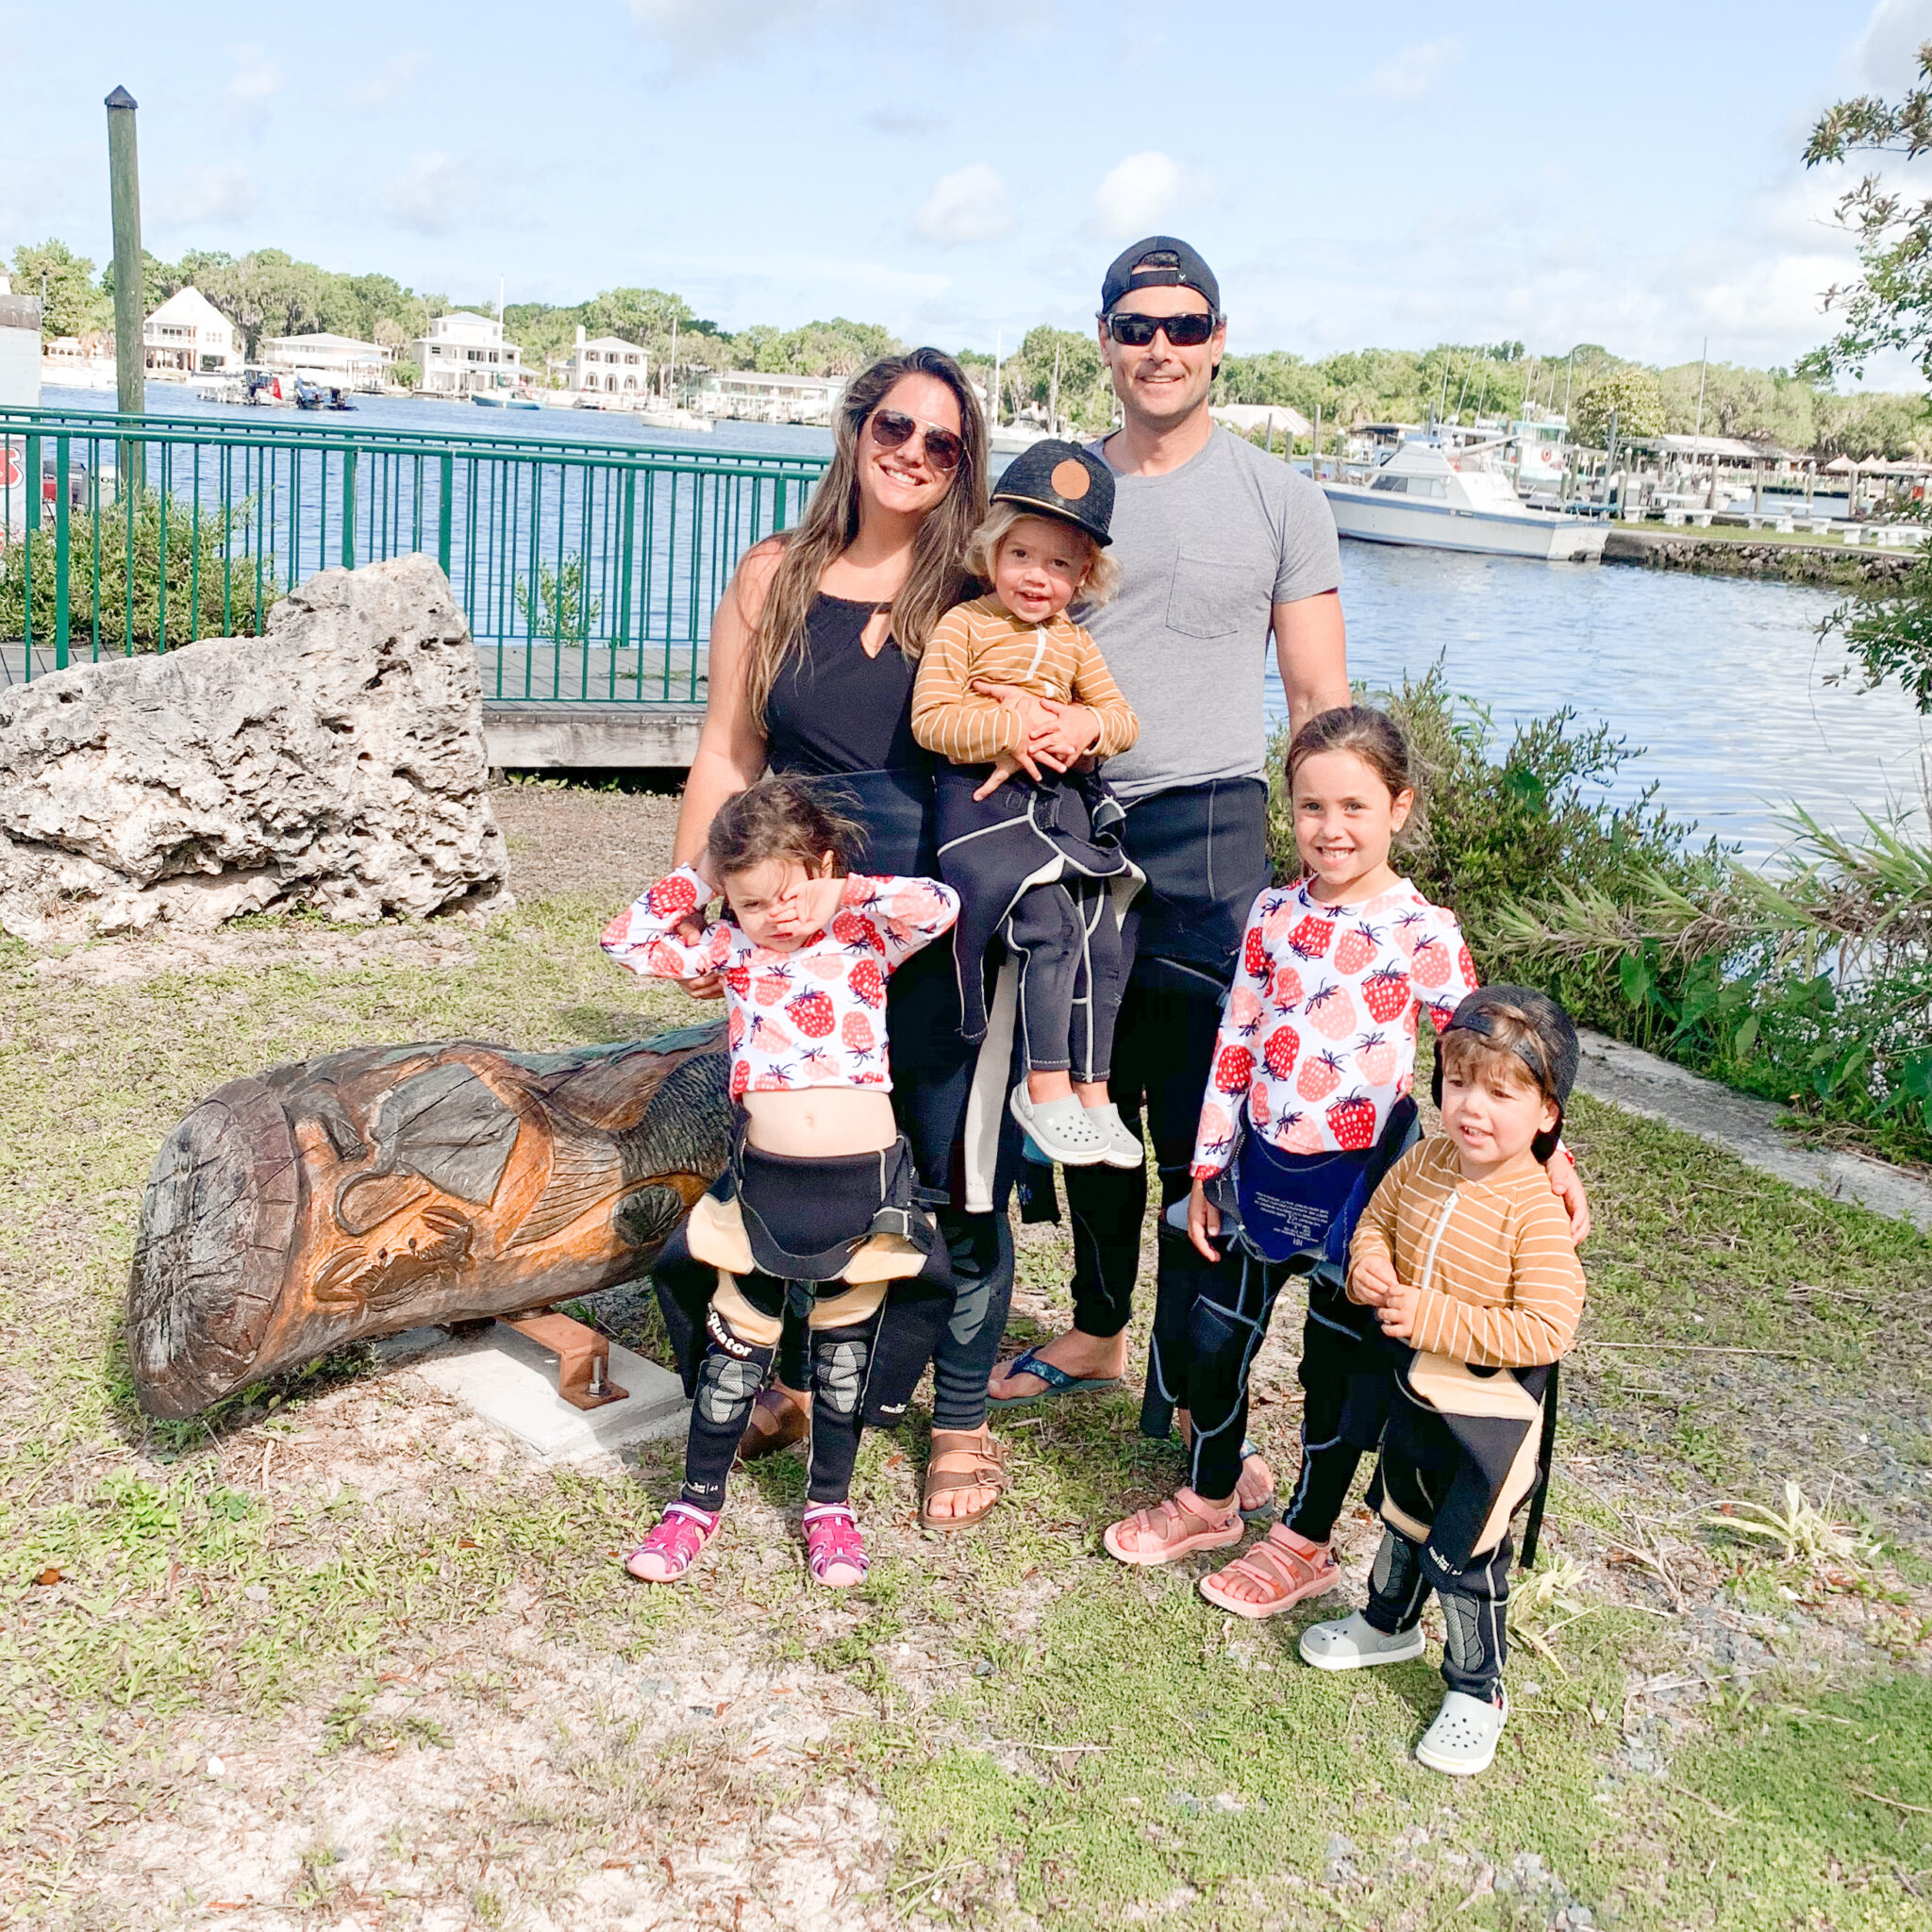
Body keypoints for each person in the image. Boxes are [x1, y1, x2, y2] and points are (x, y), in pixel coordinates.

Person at [984, 235, 1350, 1460]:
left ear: (1220, 338)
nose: (1160, 348)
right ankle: (1092, 1329)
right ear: (1104, 339)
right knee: (1084, 1100)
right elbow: (983, 623)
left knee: (1201, 1123)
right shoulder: (1065, 488)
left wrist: (1335, 881)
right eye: (1137, 327)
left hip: (1209, 836)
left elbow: (1319, 704)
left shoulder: (1279, 498)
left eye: (1184, 327)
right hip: (1070, 828)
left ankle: (1196, 1381)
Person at [661, 346, 1019, 1529]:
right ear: (856, 430)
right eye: (896, 428)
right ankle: (764, 1376)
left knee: (949, 1170)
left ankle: (955, 1416)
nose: (914, 453)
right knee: (780, 1152)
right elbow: (727, 749)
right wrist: (693, 894)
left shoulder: (974, 597)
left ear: (963, 465)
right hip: (786, 923)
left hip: (926, 919)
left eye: (944, 442)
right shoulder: (775, 573)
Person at [604, 776, 961, 1587]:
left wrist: (845, 891)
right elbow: (626, 938)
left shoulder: (867, 937)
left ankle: (830, 1507)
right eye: (754, 903)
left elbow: (941, 904)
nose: (780, 916)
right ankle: (695, 1503)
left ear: (825, 869)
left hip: (862, 1188)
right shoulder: (731, 952)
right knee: (736, 1356)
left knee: (843, 1361)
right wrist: (703, 873)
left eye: (794, 893)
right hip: (766, 1187)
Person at [1300, 986, 1588, 1778]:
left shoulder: (1534, 1210)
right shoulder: (1425, 1159)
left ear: (1547, 1115)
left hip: (1488, 1421)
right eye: (1460, 1083)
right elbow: (1377, 1223)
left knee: (1467, 1551)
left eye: (1502, 1094)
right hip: (1416, 1392)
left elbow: (1547, 1329)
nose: (1473, 1108)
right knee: (1401, 1512)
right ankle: (1388, 1623)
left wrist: (1432, 1317)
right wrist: (1369, 1267)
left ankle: (1477, 1687)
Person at [911, 440, 1143, 1169]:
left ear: (1083, 578)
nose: (1037, 578)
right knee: (1049, 929)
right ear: (991, 553)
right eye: (1021, 556)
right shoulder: (966, 627)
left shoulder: (1074, 645)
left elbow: (1123, 720)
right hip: (986, 808)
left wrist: (1083, 725)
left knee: (1103, 934)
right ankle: (1043, 1086)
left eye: (1059, 564)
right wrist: (1007, 728)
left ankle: (1092, 1085)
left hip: (1054, 805)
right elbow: (932, 719)